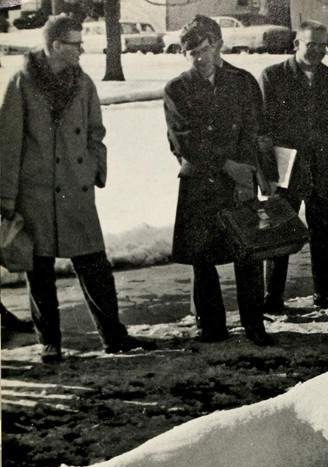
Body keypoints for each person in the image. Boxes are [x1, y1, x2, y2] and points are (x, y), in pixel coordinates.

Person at [0, 15, 151, 363]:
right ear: (56, 46)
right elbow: (7, 144)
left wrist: (94, 167)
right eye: (76, 44)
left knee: (95, 265)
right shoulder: (21, 82)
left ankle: (114, 336)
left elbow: (96, 131)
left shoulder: (83, 83)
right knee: (39, 271)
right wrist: (6, 198)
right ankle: (49, 343)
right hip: (35, 193)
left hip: (75, 189)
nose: (82, 49)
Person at [163, 15, 272, 346]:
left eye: (204, 49)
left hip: (240, 180)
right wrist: (226, 165)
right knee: (203, 258)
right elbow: (184, 140)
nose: (199, 58)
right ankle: (211, 326)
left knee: (248, 254)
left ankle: (254, 324)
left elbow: (254, 130)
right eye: (191, 52)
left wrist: (249, 173)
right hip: (200, 181)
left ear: (218, 45)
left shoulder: (243, 82)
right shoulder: (177, 89)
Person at [259, 20, 328, 312]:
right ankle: (272, 298)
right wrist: (269, 172)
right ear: (296, 43)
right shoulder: (273, 76)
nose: (317, 51)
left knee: (323, 232)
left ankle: (325, 294)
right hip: (286, 169)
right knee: (280, 232)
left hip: (323, 169)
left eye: (323, 45)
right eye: (311, 44)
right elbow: (263, 128)